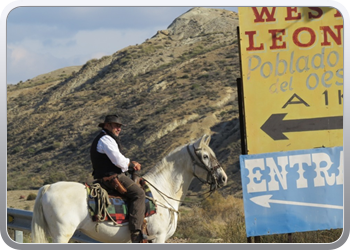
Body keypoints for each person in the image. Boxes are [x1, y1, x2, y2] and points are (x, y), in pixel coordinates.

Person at [90, 114, 155, 243]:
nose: (118, 129)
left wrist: (128, 164)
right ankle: (136, 233)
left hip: (106, 175)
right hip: (111, 177)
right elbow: (118, 160)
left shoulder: (106, 138)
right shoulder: (106, 139)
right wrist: (131, 164)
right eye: (116, 126)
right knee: (139, 194)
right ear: (107, 126)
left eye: (120, 126)